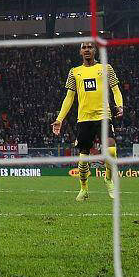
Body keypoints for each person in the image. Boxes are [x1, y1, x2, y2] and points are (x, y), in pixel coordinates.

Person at [53, 41, 124, 201]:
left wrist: (120, 105)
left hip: (103, 116)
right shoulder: (74, 72)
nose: (87, 50)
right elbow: (69, 97)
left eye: (89, 47)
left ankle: (108, 179)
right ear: (80, 52)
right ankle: (83, 189)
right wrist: (59, 119)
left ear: (95, 50)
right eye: (84, 47)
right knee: (83, 158)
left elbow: (116, 89)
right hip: (84, 119)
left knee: (111, 150)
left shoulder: (106, 68)